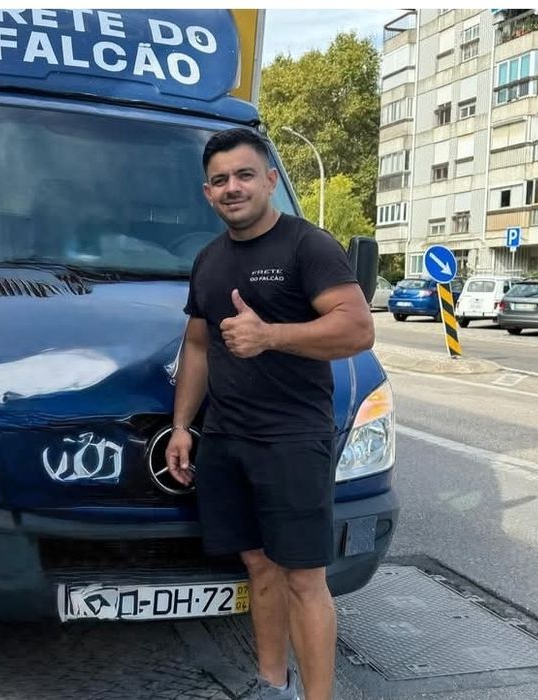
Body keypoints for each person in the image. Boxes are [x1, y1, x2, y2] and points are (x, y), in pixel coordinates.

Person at [165, 128, 374, 700]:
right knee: (257, 567)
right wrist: (182, 427)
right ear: (207, 193)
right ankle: (272, 684)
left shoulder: (308, 245)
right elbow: (199, 346)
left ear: (271, 181)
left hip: (292, 439)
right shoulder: (208, 260)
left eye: (244, 175)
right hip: (227, 438)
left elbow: (358, 328)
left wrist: (271, 335)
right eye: (219, 180)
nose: (232, 188)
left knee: (304, 578)